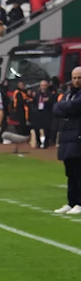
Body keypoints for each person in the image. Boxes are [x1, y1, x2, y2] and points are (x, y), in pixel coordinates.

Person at [53, 67, 81, 215]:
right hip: (66, 138)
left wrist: (63, 107)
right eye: (74, 77)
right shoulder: (69, 94)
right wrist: (65, 107)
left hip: (78, 137)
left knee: (78, 171)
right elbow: (56, 109)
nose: (77, 80)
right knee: (70, 172)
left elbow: (75, 106)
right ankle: (71, 202)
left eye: (79, 78)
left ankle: (79, 203)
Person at [30, 80, 56, 148]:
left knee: (46, 128)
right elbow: (33, 102)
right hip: (38, 113)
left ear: (47, 86)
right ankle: (38, 142)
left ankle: (46, 143)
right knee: (36, 128)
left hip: (46, 113)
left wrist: (47, 101)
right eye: (42, 85)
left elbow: (53, 103)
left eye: (44, 85)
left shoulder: (50, 94)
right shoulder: (37, 94)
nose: (43, 87)